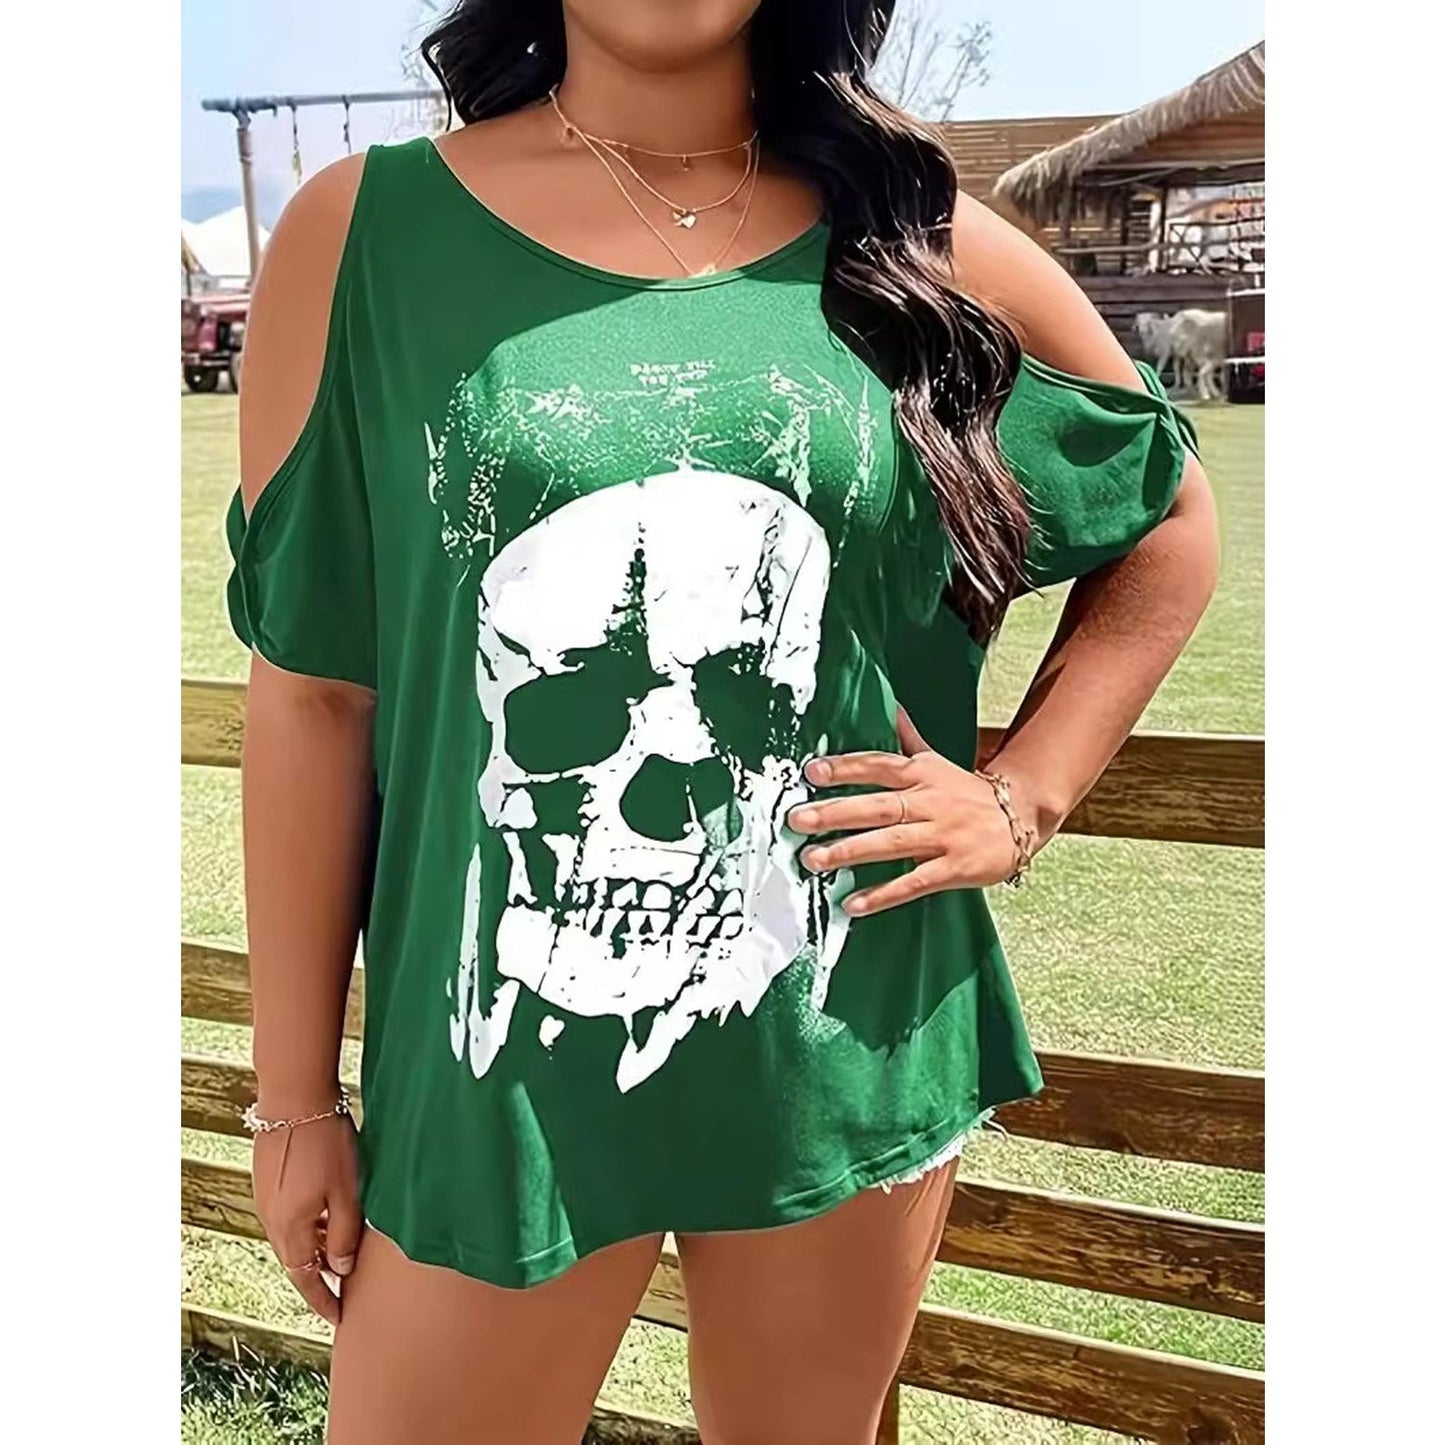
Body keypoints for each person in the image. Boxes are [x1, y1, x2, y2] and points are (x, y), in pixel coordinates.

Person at [225, 1, 1219, 1440]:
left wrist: (1022, 796)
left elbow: (1168, 516)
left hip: (843, 1025)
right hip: (493, 1073)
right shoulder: (362, 235)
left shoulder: (913, 237)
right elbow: (316, 690)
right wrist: (294, 1097)